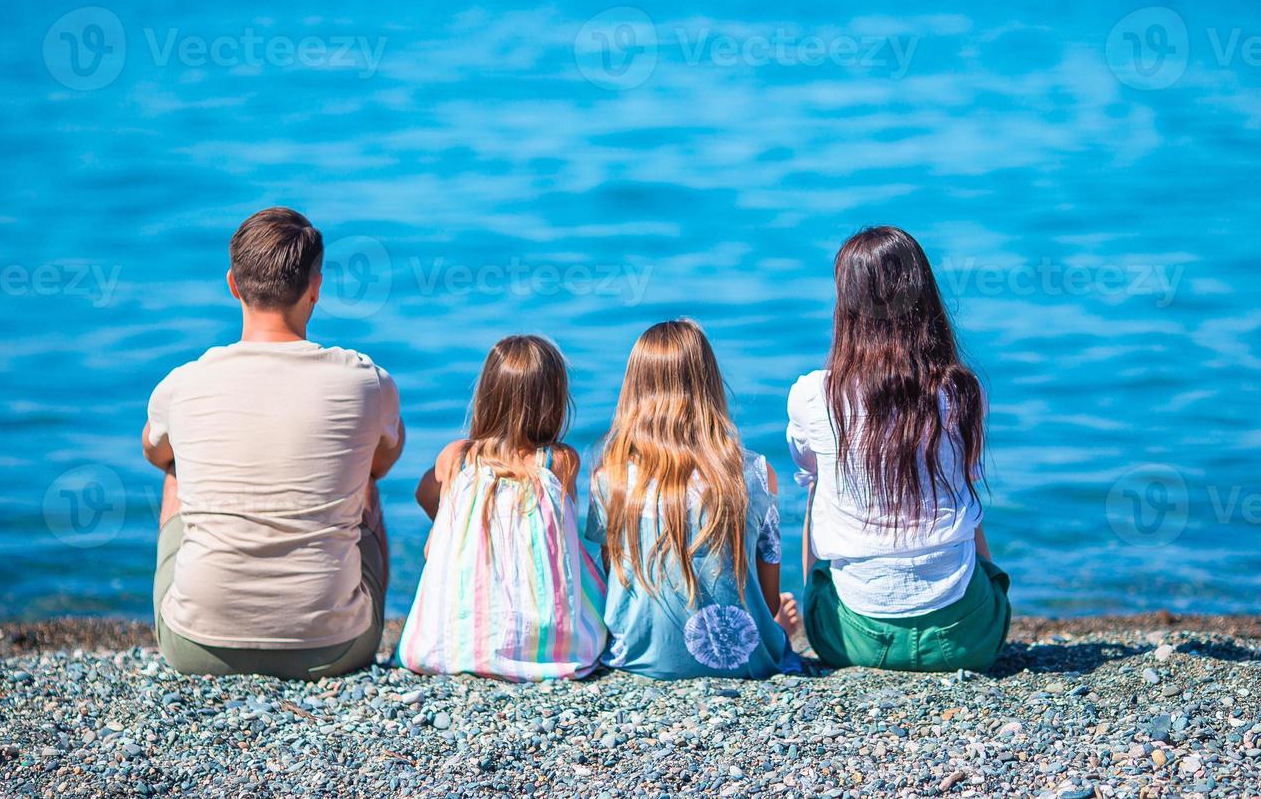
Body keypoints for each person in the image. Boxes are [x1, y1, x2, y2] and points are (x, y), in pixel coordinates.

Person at [141, 207, 404, 679]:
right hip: (339, 649)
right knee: (361, 472)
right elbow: (384, 462)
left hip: (195, 647)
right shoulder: (367, 381)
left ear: (232, 285)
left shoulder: (181, 384)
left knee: (176, 467)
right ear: (315, 288)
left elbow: (153, 450)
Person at [788, 226, 1010, 672]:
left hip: (855, 640)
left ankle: (823, 599)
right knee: (959, 483)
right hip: (969, 637)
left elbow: (810, 478)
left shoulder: (815, 395)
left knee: (817, 482)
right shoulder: (962, 390)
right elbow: (967, 490)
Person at [586, 319, 801, 680]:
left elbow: (619, 582)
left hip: (636, 659)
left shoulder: (610, 480)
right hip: (747, 661)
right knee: (784, 612)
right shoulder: (756, 474)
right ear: (709, 384)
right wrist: (778, 623)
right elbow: (768, 595)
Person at [396, 336, 606, 680]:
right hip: (551, 650)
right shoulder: (561, 462)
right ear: (554, 402)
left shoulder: (456, 457)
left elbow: (424, 494)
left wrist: (454, 526)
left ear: (487, 396)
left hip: (448, 648)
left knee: (441, 535)